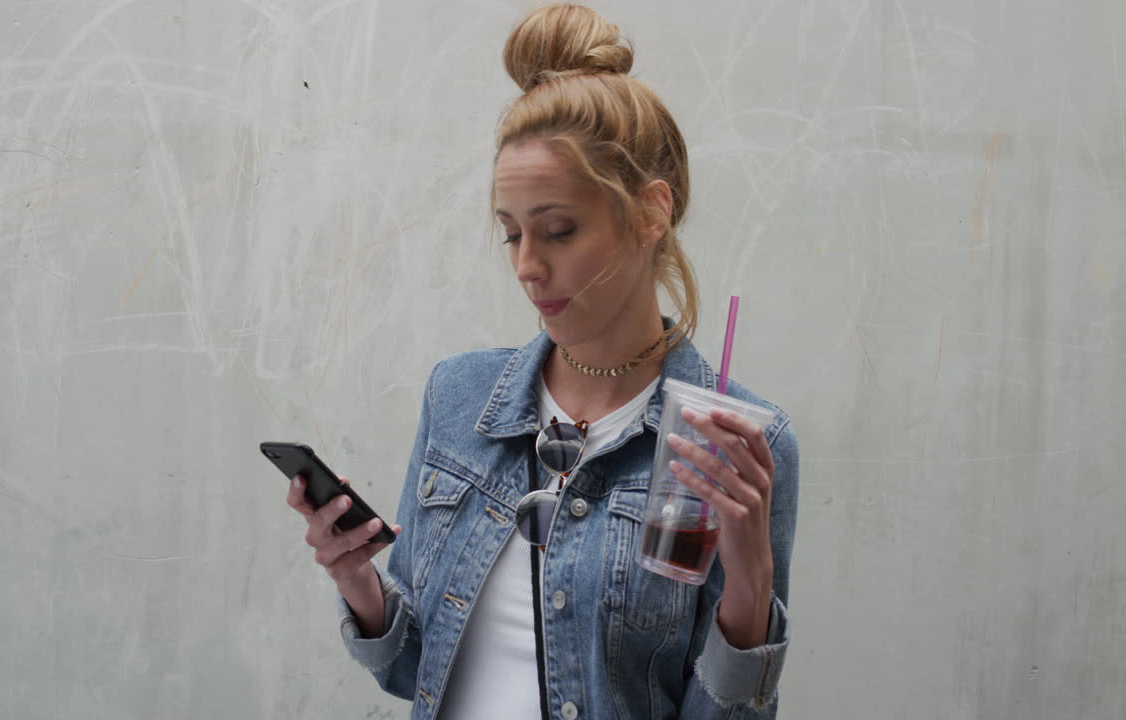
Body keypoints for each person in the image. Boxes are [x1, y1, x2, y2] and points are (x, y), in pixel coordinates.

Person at [286, 4, 799, 718]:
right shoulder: (459, 397)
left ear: (651, 212)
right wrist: (358, 582)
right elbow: (409, 668)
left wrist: (749, 587)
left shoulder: (742, 444)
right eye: (511, 234)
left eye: (558, 230)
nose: (528, 266)